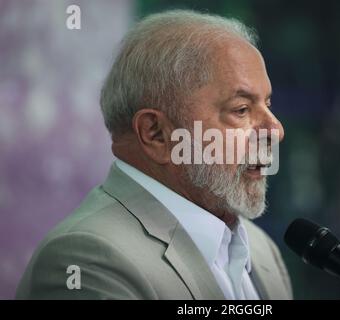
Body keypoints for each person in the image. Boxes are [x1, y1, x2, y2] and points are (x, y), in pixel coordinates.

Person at [16, 9, 292, 300]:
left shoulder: (261, 250)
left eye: (268, 104)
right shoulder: (84, 259)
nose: (275, 129)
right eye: (241, 110)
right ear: (156, 134)